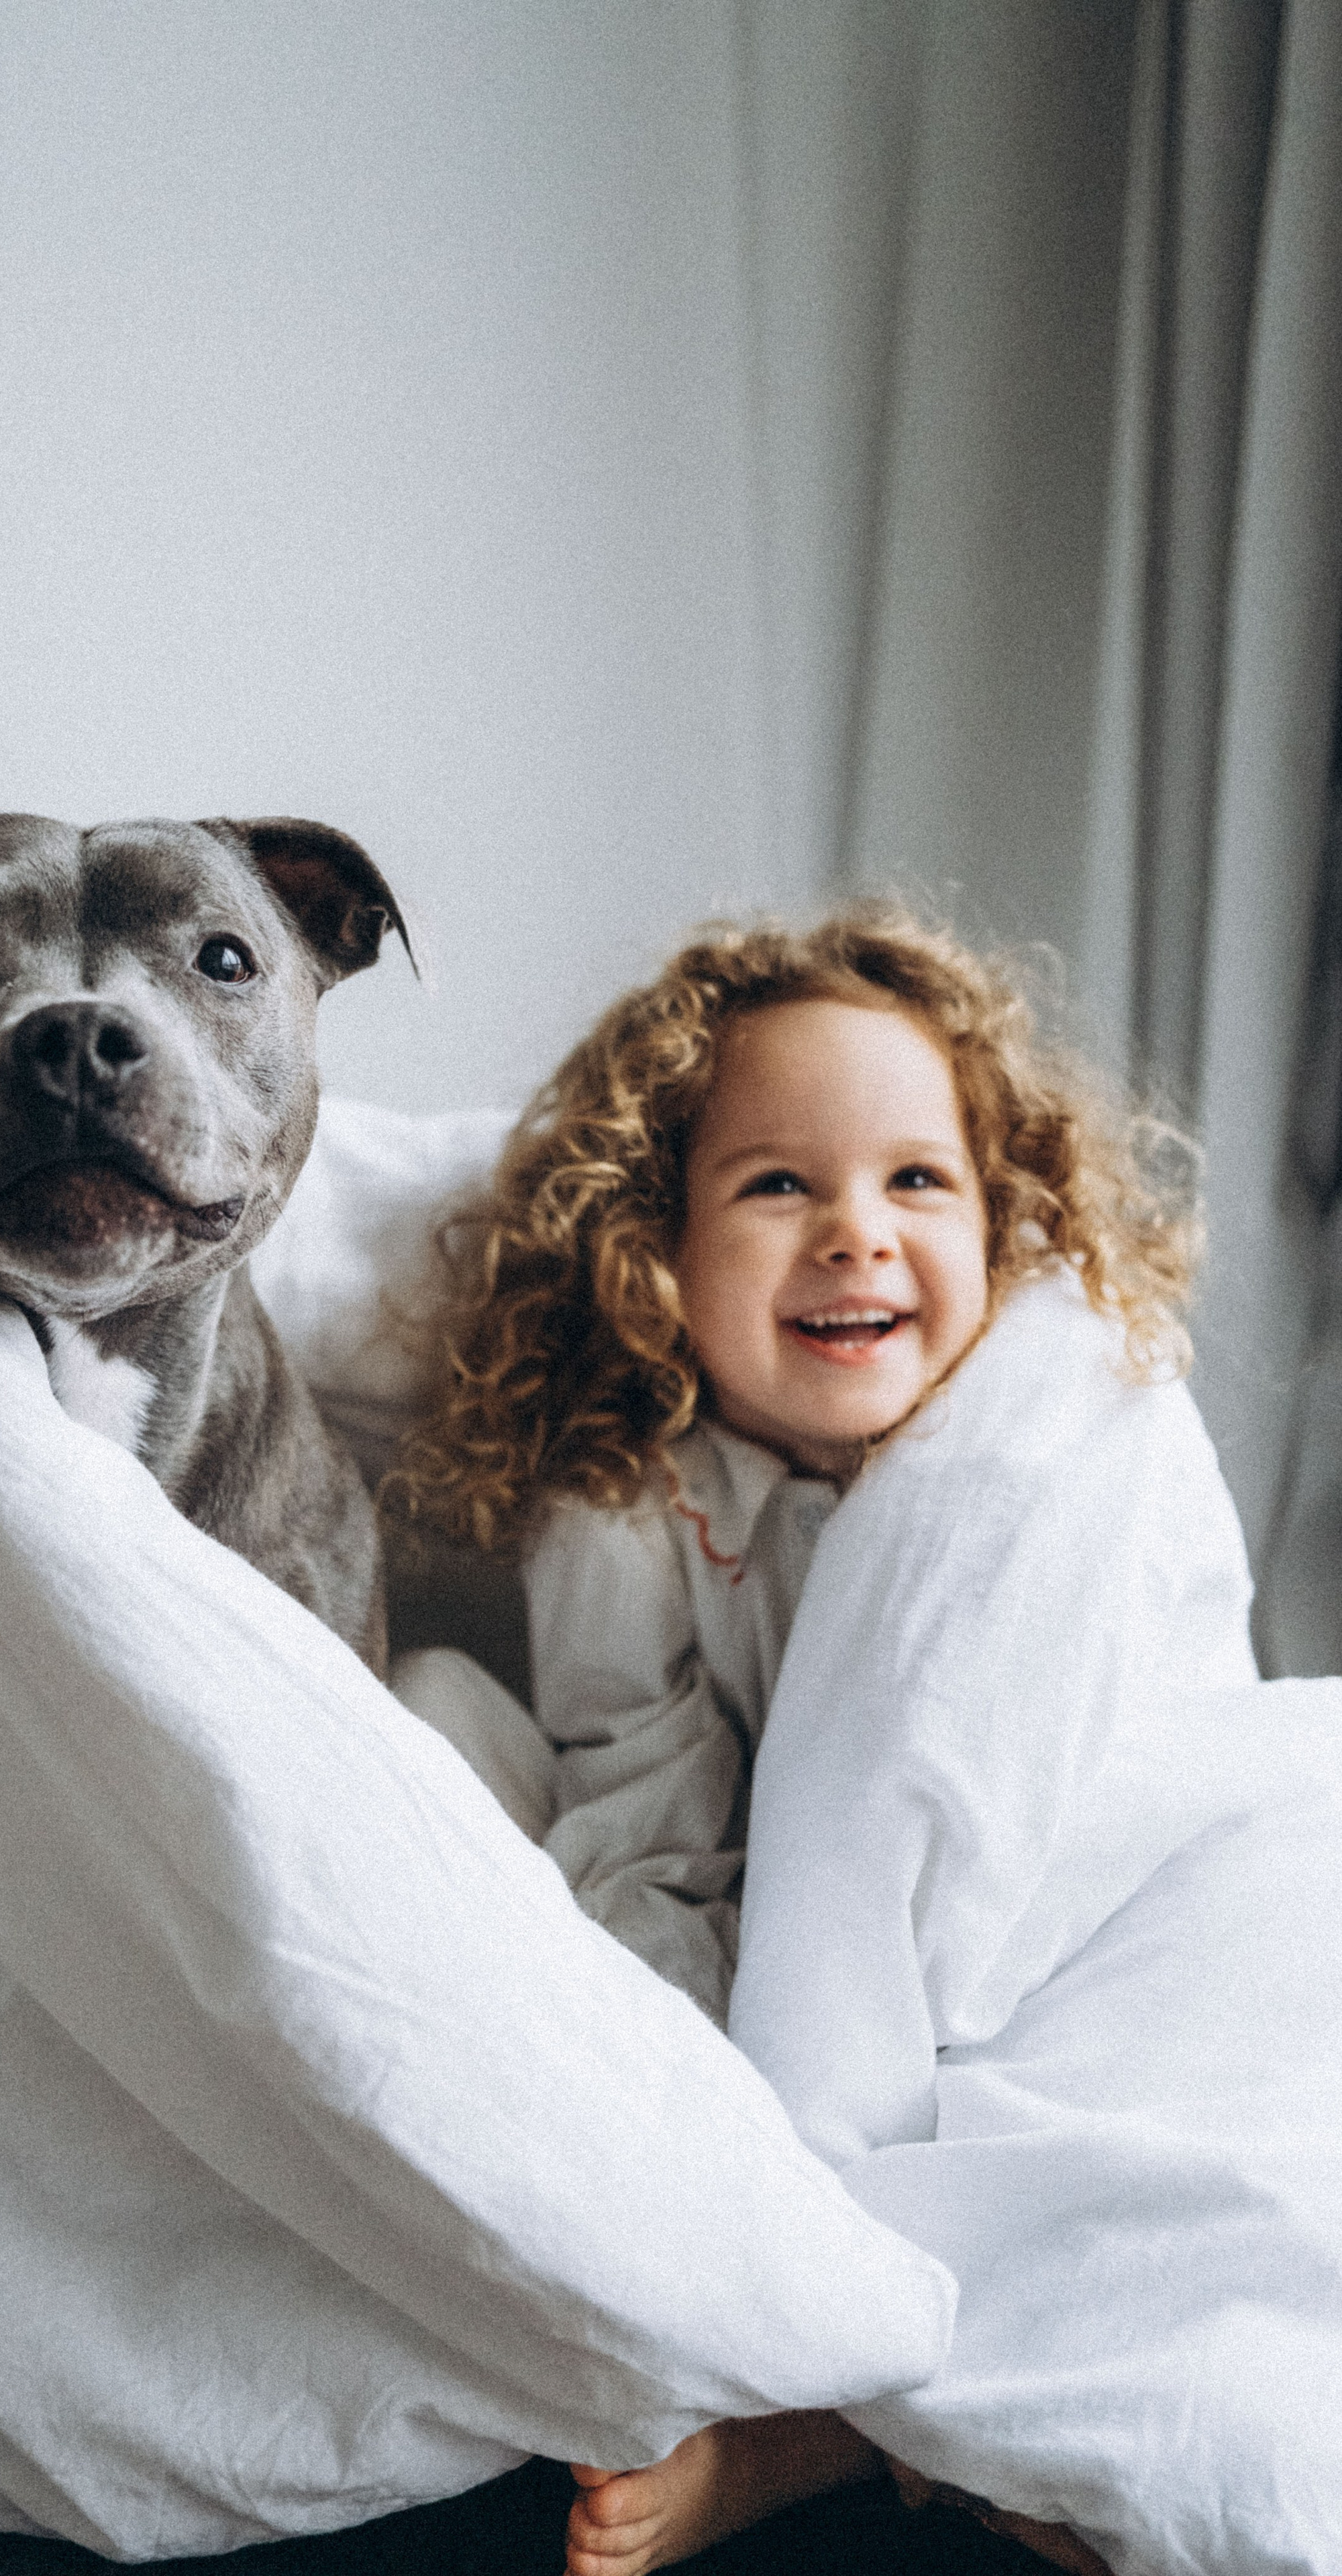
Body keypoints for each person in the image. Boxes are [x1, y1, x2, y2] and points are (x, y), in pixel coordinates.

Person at [389, 905, 1201, 2576]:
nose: (854, 1235)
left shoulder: (1036, 1438)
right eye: (776, 1186)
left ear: (1006, 1224)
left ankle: (883, 2423)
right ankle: (794, 2396)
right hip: (752, 1942)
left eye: (917, 1182)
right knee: (433, 1732)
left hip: (1032, 1934)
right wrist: (689, 2144)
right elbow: (642, 1809)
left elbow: (1127, 1736)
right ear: (650, 1248)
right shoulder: (634, 1500)